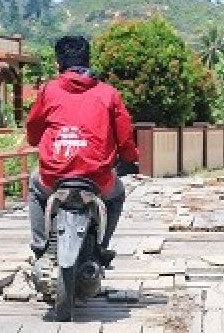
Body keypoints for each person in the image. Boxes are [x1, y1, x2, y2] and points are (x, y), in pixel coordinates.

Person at [25, 35, 139, 266]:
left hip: (54, 176)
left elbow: (33, 132)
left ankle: (39, 247)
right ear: (88, 61)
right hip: (96, 177)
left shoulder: (48, 91)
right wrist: (130, 159)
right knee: (117, 196)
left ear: (58, 64)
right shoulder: (108, 93)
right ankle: (100, 249)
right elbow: (125, 136)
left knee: (35, 186)